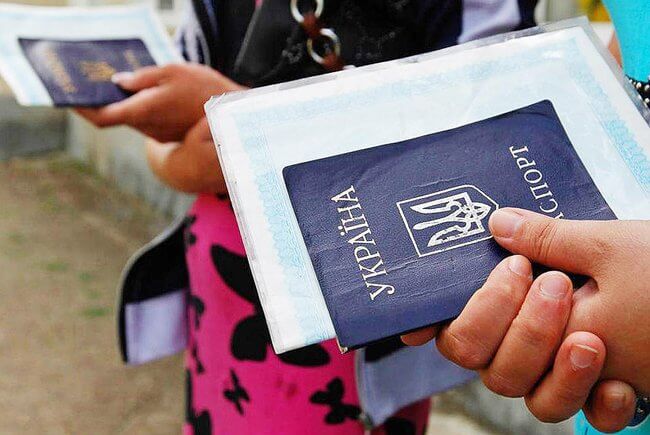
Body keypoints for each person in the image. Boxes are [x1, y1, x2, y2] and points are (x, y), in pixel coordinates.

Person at [77, 1, 543, 433]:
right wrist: (190, 156)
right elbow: (167, 145)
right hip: (224, 285)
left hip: (358, 297)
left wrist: (239, 132)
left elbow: (493, 135)